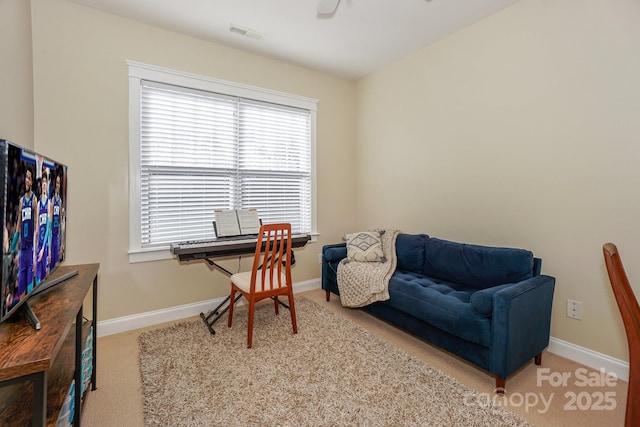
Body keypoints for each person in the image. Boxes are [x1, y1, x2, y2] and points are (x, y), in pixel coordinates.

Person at [16, 167, 36, 298]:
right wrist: (13, 250)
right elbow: (18, 227)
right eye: (26, 177)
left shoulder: (34, 200)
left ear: (32, 181)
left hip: (30, 250)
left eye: (29, 178)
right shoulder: (21, 201)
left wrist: (35, 253)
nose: (27, 180)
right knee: (21, 291)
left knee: (30, 291)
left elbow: (36, 229)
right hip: (22, 251)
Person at [35, 171, 52, 284]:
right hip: (39, 245)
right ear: (41, 186)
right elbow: (37, 229)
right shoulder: (38, 204)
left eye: (46, 182)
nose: (44, 185)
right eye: (43, 183)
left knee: (46, 278)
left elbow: (48, 229)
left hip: (45, 245)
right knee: (37, 279)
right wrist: (35, 251)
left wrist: (45, 249)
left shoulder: (49, 203)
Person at [50, 173, 64, 270]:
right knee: (51, 265)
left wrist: (61, 243)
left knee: (57, 265)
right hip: (52, 234)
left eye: (59, 183)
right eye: (57, 183)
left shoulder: (60, 201)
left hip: (57, 235)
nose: (58, 185)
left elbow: (60, 221)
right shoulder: (53, 200)